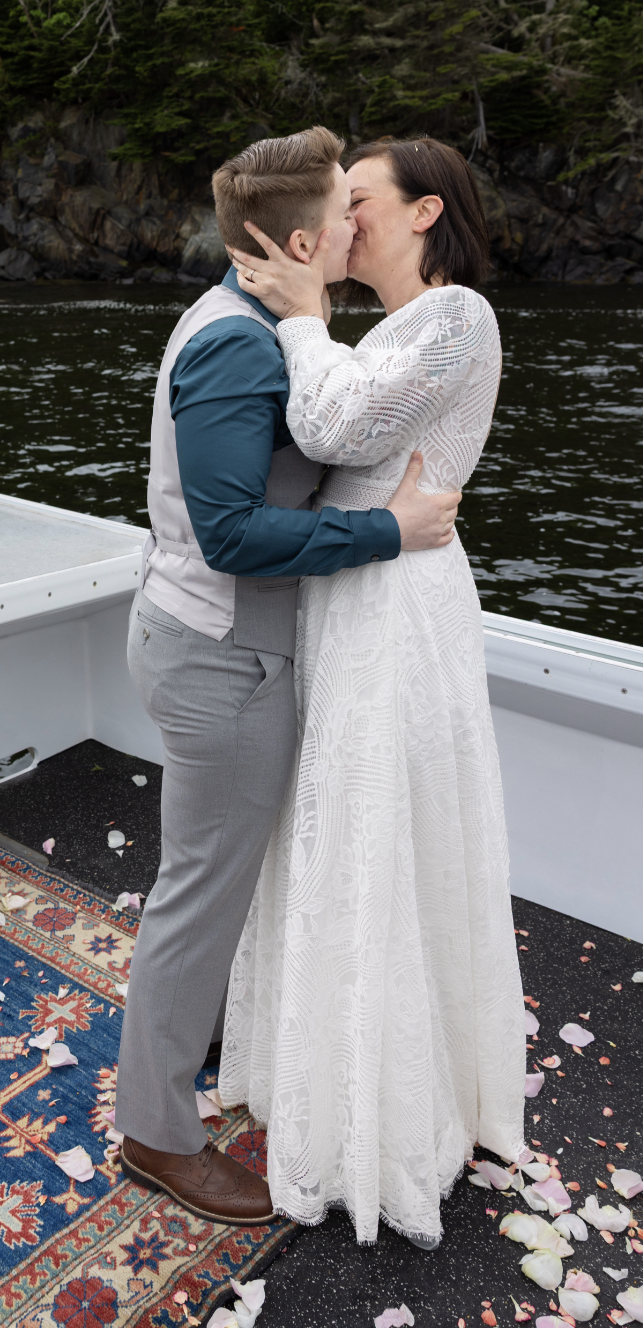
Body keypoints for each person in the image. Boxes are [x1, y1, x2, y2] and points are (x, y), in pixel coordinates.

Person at [115, 127, 462, 1227]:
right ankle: (157, 1135)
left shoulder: (267, 326)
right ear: (307, 238)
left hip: (218, 645)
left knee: (216, 878)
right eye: (347, 213)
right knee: (198, 894)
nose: (361, 226)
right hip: (224, 656)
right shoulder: (240, 344)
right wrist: (384, 529)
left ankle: (200, 1049)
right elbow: (229, 535)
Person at [217, 135, 525, 1247]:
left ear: (423, 213)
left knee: (377, 835)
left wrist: (301, 313)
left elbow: (331, 428)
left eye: (357, 203)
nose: (338, 224)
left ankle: (385, 1116)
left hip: (396, 611)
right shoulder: (391, 328)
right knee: (339, 832)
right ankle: (328, 1076)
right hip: (358, 589)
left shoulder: (455, 319)